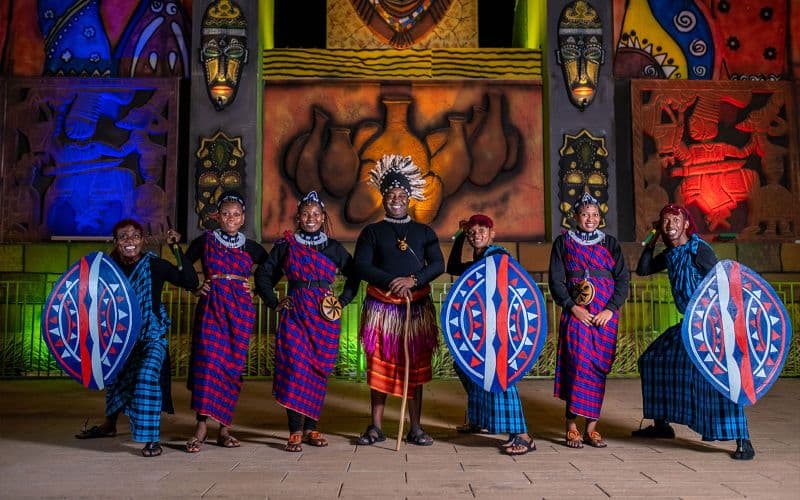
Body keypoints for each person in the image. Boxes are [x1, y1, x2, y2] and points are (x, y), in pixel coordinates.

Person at [633, 203, 755, 460]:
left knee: (719, 377)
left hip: (711, 324)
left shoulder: (699, 250)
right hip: (688, 324)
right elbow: (643, 269)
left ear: (686, 224)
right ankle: (662, 424)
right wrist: (653, 238)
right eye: (665, 221)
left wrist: (727, 326)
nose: (671, 225)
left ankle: (743, 440)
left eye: (675, 220)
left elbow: (723, 282)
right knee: (653, 360)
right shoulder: (670, 254)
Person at [75, 219, 199, 457]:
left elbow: (190, 281)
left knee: (146, 377)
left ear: (142, 240)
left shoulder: (154, 265)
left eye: (134, 236)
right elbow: (90, 300)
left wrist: (175, 248)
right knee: (116, 380)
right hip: (120, 337)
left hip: (152, 336)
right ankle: (109, 425)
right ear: (115, 242)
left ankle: (151, 438)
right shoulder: (108, 270)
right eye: (123, 237)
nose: (129, 241)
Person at [254, 191, 360, 452]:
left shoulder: (333, 248)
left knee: (317, 372)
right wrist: (273, 301)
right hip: (296, 315)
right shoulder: (286, 246)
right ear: (298, 218)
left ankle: (312, 428)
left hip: (324, 318)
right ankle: (295, 431)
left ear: (323, 218)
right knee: (295, 368)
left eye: (316, 214)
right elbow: (264, 275)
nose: (311, 218)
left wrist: (342, 301)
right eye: (305, 214)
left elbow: (355, 275)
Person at [353, 154, 444, 446]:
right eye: (391, 194)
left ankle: (415, 427)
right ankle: (376, 427)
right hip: (382, 309)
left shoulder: (424, 232)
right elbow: (362, 266)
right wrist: (391, 281)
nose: (396, 199)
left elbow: (438, 264)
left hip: (415, 309)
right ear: (383, 197)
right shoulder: (372, 232)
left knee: (415, 368)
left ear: (409, 198)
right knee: (379, 365)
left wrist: (413, 280)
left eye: (401, 195)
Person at [184, 191, 267, 452]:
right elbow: (183, 266)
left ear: (243, 218)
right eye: (225, 213)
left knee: (231, 368)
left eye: (236, 214)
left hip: (240, 312)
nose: (231, 218)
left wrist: (257, 289)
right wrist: (195, 287)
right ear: (217, 217)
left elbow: (271, 268)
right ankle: (200, 427)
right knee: (208, 364)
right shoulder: (205, 241)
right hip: (212, 308)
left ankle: (224, 429)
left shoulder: (251, 247)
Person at [446, 214, 536, 455]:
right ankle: (480, 419)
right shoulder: (479, 260)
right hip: (484, 329)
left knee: (501, 377)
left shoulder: (498, 256)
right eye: (472, 232)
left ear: (492, 234)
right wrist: (459, 236)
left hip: (500, 330)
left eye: (481, 231)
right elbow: (452, 267)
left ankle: (523, 436)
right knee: (466, 367)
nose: (476, 235)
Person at [549, 193, 630, 449]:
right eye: (585, 214)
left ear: (600, 217)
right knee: (578, 364)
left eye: (595, 215)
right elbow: (556, 280)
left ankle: (591, 429)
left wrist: (610, 309)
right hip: (577, 314)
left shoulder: (610, 244)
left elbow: (622, 280)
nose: (590, 219)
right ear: (575, 217)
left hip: (604, 317)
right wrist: (573, 307)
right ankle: (571, 426)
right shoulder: (563, 243)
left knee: (598, 367)